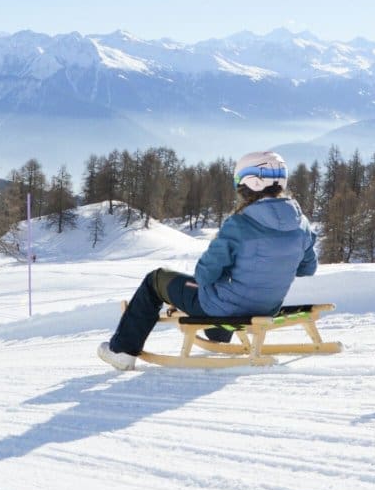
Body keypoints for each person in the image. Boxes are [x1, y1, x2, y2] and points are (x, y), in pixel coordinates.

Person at [98, 151, 318, 371]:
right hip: (267, 307)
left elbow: (205, 275)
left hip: (225, 308)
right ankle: (218, 334)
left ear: (251, 183)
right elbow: (308, 268)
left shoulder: (240, 223)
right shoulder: (302, 224)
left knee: (156, 280)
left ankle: (122, 351)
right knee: (221, 291)